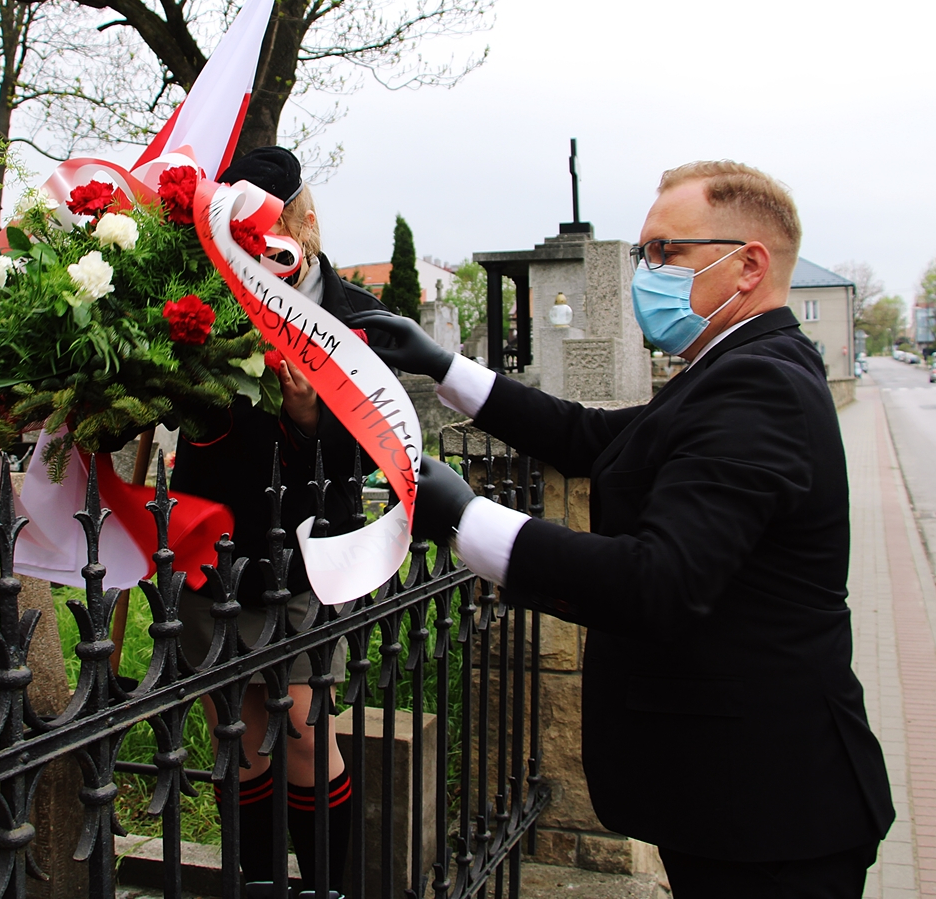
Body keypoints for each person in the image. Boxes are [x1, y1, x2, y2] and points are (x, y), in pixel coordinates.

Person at [353, 161, 894, 898]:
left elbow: (656, 582)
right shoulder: (730, 367)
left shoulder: (759, 382)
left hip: (770, 810)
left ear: (748, 266)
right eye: (645, 253)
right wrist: (442, 365)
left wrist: (464, 519)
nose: (648, 272)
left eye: (668, 251)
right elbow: (591, 438)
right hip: (736, 798)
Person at [172, 146, 392, 898]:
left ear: (305, 222)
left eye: (274, 225)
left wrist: (308, 418)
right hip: (211, 543)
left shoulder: (355, 317)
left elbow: (375, 451)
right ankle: (260, 886)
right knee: (235, 737)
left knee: (300, 732)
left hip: (302, 554)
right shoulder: (208, 298)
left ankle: (327, 888)